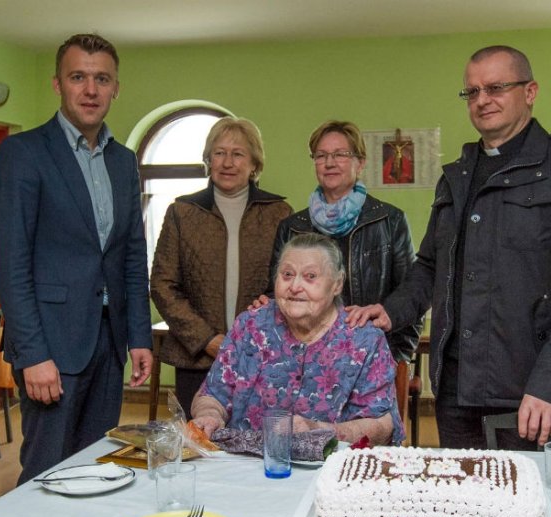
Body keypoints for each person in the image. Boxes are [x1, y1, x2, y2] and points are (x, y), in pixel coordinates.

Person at [347, 45, 551, 450]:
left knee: (535, 507)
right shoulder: (457, 176)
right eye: (471, 92)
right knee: (464, 507)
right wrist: (392, 310)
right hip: (457, 389)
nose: (482, 100)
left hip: (530, 393)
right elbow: (430, 266)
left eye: (495, 87)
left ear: (530, 92)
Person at [0, 33, 153, 484]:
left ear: (116, 87)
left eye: (102, 79)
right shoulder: (24, 154)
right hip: (52, 347)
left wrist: (140, 335)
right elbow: (11, 265)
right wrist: (32, 354)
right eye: (78, 77)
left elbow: (131, 257)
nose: (90, 89)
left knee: (97, 468)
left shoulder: (123, 160)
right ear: (57, 84)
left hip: (108, 341)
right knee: (47, 470)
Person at [192, 233, 404, 446]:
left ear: (337, 284)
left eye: (310, 276)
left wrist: (319, 431)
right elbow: (212, 395)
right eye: (287, 274)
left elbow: (382, 425)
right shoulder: (250, 326)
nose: (295, 286)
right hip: (245, 464)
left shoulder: (363, 339)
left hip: (328, 468)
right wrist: (209, 416)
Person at [150, 117, 292, 415]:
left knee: (253, 446)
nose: (228, 162)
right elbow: (163, 285)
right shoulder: (182, 213)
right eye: (219, 152)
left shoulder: (279, 213)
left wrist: (261, 319)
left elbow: (288, 283)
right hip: (197, 357)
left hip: (260, 355)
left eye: (238, 154)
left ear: (254, 164)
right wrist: (207, 340)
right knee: (200, 448)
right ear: (208, 160)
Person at [269, 120, 422, 364]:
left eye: (340, 154)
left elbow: (411, 296)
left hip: (371, 360)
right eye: (321, 155)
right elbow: (276, 299)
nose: (329, 163)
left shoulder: (390, 220)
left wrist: (394, 359)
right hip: (305, 363)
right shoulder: (292, 227)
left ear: (360, 163)